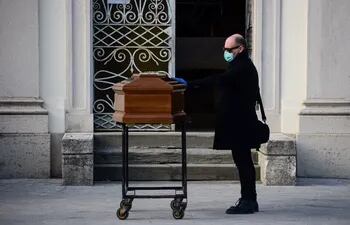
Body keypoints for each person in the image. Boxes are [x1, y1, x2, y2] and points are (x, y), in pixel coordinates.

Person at [175, 34, 260, 214]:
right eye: (224, 49)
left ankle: (248, 201)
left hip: (241, 123)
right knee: (242, 161)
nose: (226, 53)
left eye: (229, 50)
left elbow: (219, 80)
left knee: (243, 162)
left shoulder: (242, 67)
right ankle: (249, 199)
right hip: (240, 121)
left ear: (240, 49)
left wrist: (190, 84)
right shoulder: (240, 64)